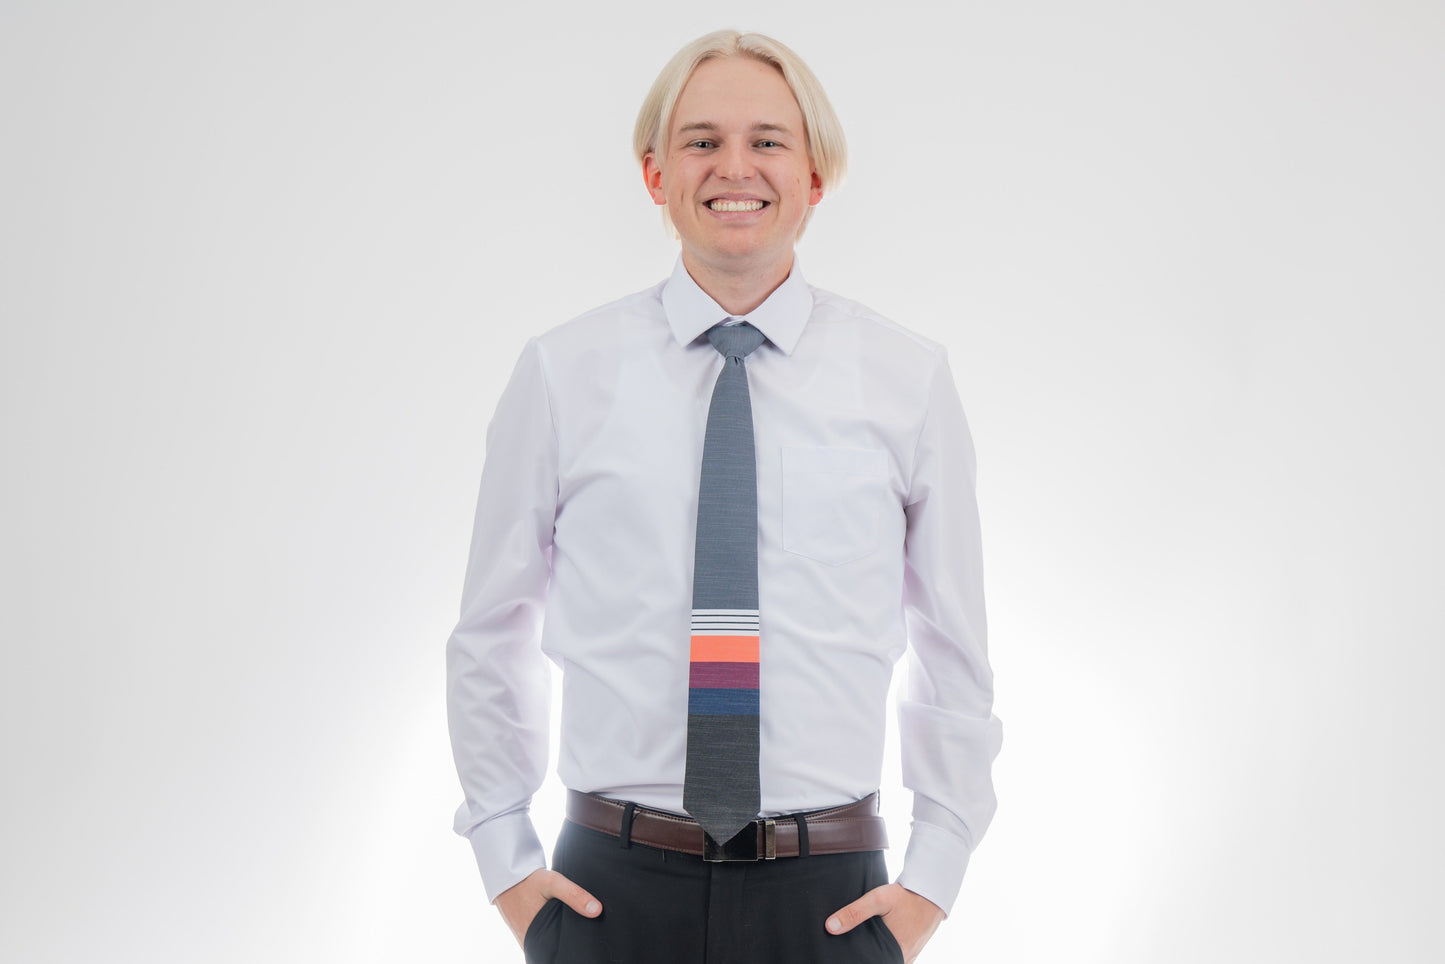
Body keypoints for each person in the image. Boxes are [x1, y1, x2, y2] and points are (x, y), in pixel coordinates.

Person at [446, 29, 1002, 964]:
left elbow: (955, 651)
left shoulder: (906, 382)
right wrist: (507, 863)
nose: (733, 167)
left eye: (768, 141)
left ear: (816, 175)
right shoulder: (561, 374)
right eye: (701, 141)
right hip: (606, 897)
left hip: (831, 899)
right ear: (654, 171)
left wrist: (930, 883)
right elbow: (489, 632)